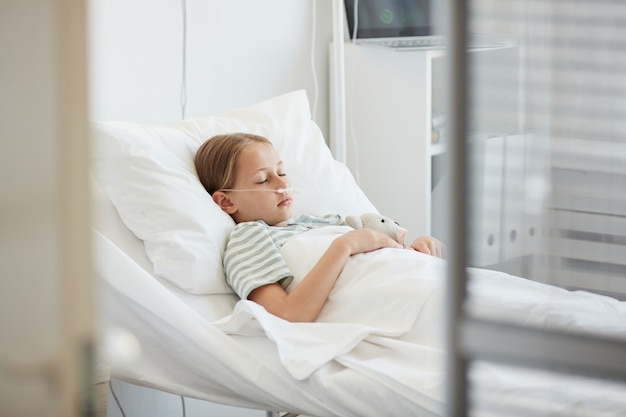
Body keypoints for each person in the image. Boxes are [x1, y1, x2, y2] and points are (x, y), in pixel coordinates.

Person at [195, 132, 445, 322]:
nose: (281, 184)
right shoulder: (248, 238)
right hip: (398, 303)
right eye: (262, 179)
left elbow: (380, 260)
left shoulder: (320, 222)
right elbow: (288, 315)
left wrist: (417, 252)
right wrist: (345, 245)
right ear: (226, 201)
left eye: (282, 172)